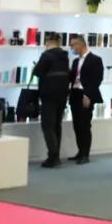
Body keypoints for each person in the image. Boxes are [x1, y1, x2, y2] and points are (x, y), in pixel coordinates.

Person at [33, 35, 70, 168]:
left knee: (47, 126)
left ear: (48, 43)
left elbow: (37, 72)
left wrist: (36, 67)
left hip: (48, 94)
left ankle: (52, 156)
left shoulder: (46, 55)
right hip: (62, 94)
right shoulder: (65, 56)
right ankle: (56, 156)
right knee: (56, 125)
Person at [68, 35, 103, 165]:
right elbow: (72, 78)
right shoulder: (75, 61)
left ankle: (85, 154)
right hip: (75, 94)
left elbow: (97, 79)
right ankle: (80, 151)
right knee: (76, 125)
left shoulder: (96, 60)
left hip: (86, 95)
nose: (72, 48)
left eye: (73, 45)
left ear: (81, 44)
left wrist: (88, 95)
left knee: (84, 125)